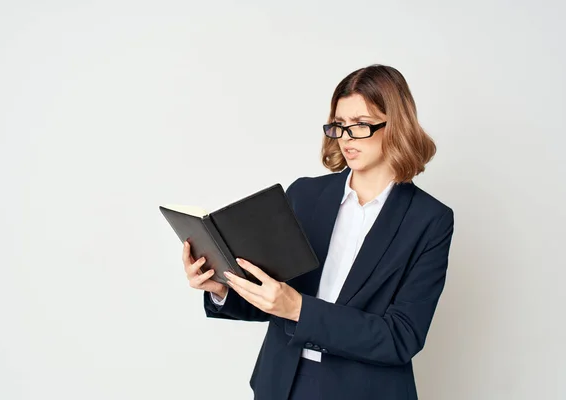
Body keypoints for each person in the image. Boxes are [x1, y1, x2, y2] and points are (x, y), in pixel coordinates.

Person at [182, 64, 455, 400]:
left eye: (361, 126)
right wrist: (221, 288)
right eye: (340, 126)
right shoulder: (305, 195)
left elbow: (400, 337)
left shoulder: (429, 219)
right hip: (281, 385)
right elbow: (274, 299)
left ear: (397, 126)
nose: (347, 139)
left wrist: (299, 309)